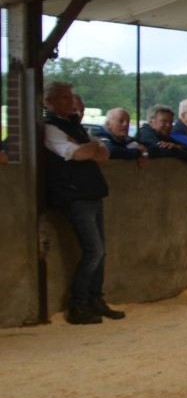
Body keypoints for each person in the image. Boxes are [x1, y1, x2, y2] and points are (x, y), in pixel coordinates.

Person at [42, 81, 121, 325]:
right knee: (94, 250)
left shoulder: (72, 126)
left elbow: (102, 153)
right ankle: (78, 304)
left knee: (100, 250)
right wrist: (88, 147)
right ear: (49, 102)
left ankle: (94, 298)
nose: (71, 102)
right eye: (64, 98)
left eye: (70, 97)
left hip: (90, 192)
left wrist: (89, 146)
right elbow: (78, 153)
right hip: (73, 195)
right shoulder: (50, 128)